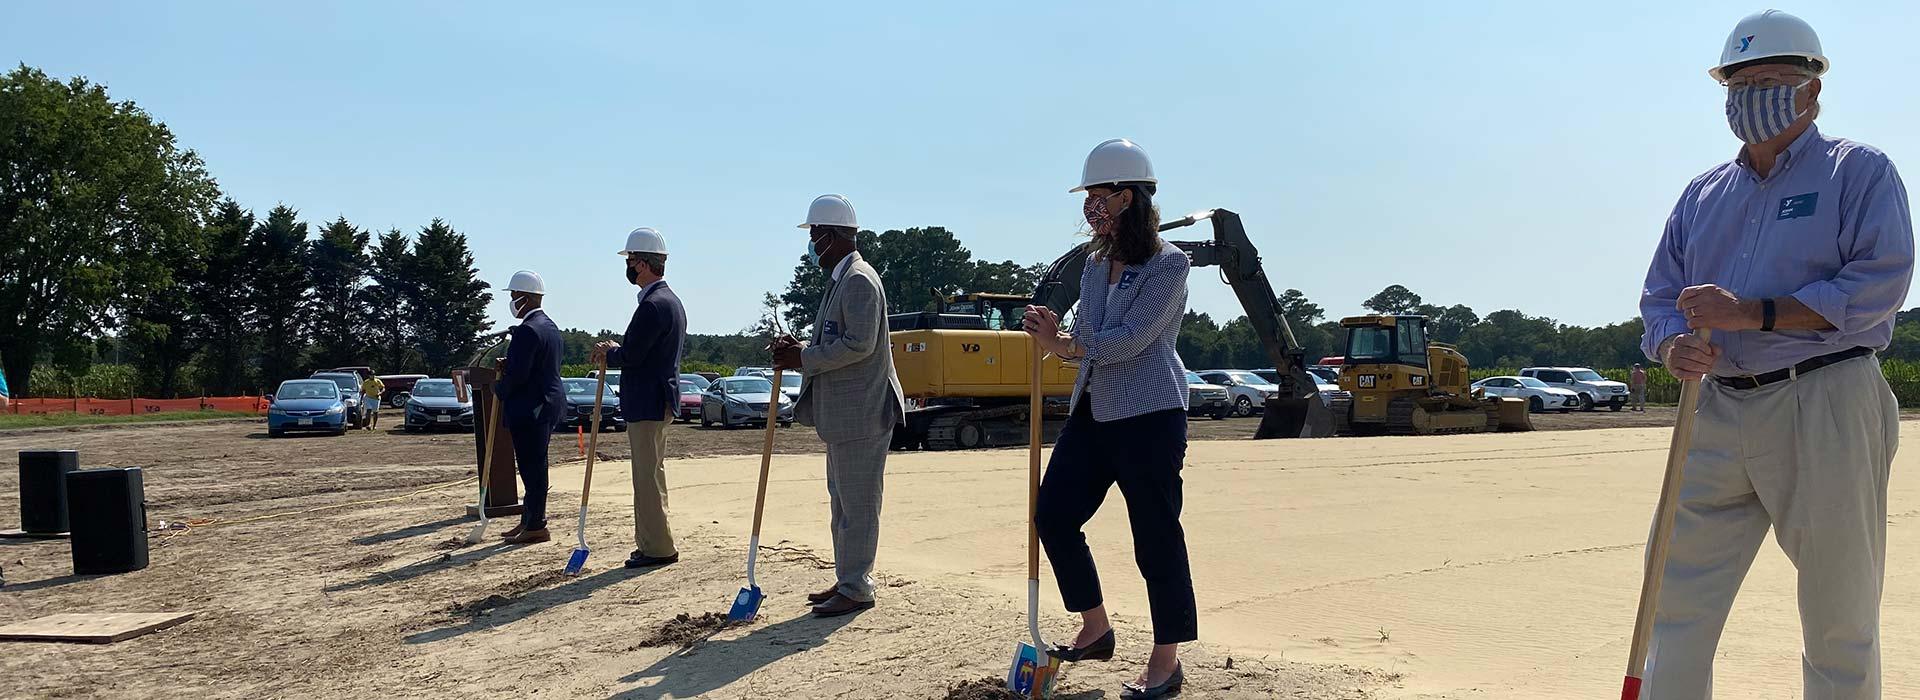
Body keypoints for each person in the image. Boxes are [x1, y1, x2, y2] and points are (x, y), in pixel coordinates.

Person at [1637, 10, 1911, 698]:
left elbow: (1878, 284)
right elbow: (1660, 296)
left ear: (1812, 90)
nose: (1752, 94)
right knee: (1672, 602)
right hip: (1715, 405)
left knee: (1837, 611)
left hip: (1824, 398)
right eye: (1740, 81)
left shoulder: (1860, 171)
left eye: (1771, 79)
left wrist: (1752, 313)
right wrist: (1672, 344)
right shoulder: (1702, 194)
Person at [1021, 138, 1195, 700]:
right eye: (1088, 196)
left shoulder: (1170, 265)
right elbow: (1089, 335)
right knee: (1053, 515)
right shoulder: (1095, 265)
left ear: (1130, 197)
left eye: (1100, 195)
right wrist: (1053, 333)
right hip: (1093, 411)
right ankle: (1095, 628)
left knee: (1155, 537)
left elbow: (1130, 341)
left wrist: (1064, 344)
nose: (1091, 207)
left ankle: (1165, 660)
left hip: (1150, 417)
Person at [770, 193, 906, 618]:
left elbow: (859, 345)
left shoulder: (860, 280)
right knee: (843, 504)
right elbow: (838, 338)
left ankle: (857, 586)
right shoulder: (841, 279)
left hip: (863, 412)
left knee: (859, 506)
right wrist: (801, 347)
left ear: (831, 236)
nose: (811, 244)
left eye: (814, 235)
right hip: (846, 415)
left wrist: (804, 359)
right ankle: (849, 576)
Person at [591, 227, 686, 569]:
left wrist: (611, 353)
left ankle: (657, 548)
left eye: (630, 260)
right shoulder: (669, 301)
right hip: (656, 399)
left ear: (643, 264)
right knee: (651, 475)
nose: (628, 267)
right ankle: (652, 542)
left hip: (647, 401)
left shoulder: (653, 305)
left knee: (646, 478)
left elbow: (633, 355)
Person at [493, 270, 567, 545]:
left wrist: (499, 389)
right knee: (534, 465)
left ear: (525, 298)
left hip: (532, 407)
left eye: (514, 297)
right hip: (546, 404)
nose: (512, 302)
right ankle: (528, 518)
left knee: (532, 467)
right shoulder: (548, 325)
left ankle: (536, 523)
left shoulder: (527, 330)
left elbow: (520, 375)